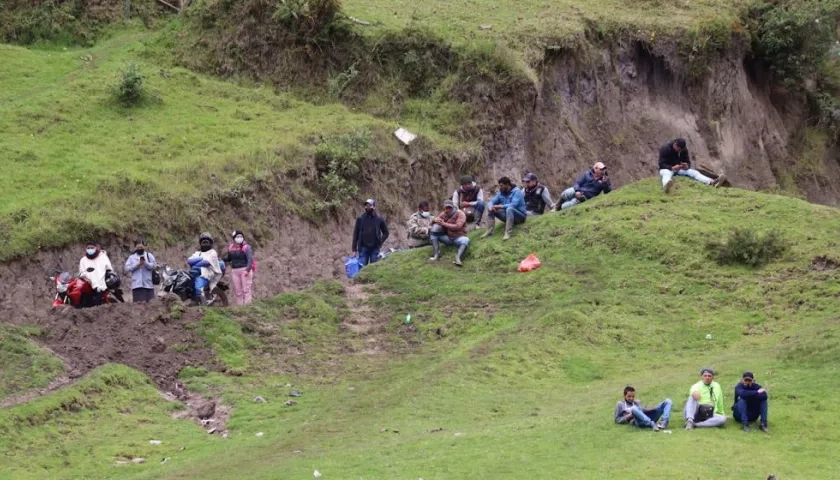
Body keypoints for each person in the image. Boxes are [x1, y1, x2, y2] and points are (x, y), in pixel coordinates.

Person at [658, 138, 726, 193]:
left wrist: (686, 166)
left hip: (679, 169)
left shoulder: (683, 150)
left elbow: (687, 161)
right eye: (678, 150)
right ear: (675, 145)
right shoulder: (665, 148)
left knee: (694, 172)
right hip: (667, 169)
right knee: (666, 174)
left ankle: (712, 182)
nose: (679, 151)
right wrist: (671, 167)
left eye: (681, 150)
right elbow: (661, 164)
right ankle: (666, 186)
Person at [429, 200, 470, 267]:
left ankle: (458, 257)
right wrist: (434, 220)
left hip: (459, 237)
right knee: (433, 233)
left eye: (449, 208)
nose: (447, 210)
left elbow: (458, 226)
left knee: (466, 240)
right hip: (448, 237)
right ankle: (436, 254)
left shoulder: (460, 213)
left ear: (453, 207)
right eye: (446, 208)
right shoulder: (444, 214)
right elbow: (434, 220)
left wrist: (444, 224)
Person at [187, 232, 223, 306]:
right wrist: (201, 258)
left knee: (198, 288)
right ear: (200, 242)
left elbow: (205, 262)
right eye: (203, 240)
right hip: (194, 274)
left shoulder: (213, 253)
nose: (205, 242)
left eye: (207, 240)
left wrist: (196, 264)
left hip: (206, 275)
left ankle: (203, 307)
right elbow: (189, 261)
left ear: (211, 242)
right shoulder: (197, 253)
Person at [352, 199, 389, 267]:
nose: (367, 207)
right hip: (363, 248)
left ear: (374, 207)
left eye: (370, 205)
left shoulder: (379, 219)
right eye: (366, 205)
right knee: (362, 269)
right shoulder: (360, 219)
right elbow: (355, 234)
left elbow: (386, 232)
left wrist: (380, 242)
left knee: (374, 269)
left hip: (374, 248)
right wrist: (354, 249)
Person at [224, 230, 255, 305]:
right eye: (237, 237)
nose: (239, 238)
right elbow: (229, 258)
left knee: (246, 290)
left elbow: (250, 259)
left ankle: (247, 307)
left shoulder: (246, 247)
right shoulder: (231, 248)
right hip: (235, 271)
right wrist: (221, 260)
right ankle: (240, 308)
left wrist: (247, 270)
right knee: (238, 292)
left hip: (244, 270)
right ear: (234, 238)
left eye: (241, 236)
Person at [79, 241, 114, 307]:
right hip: (88, 284)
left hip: (101, 284)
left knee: (97, 304)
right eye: (88, 248)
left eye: (92, 248)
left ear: (95, 248)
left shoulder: (103, 257)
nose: (90, 249)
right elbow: (82, 272)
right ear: (86, 249)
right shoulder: (83, 260)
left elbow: (109, 269)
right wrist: (86, 279)